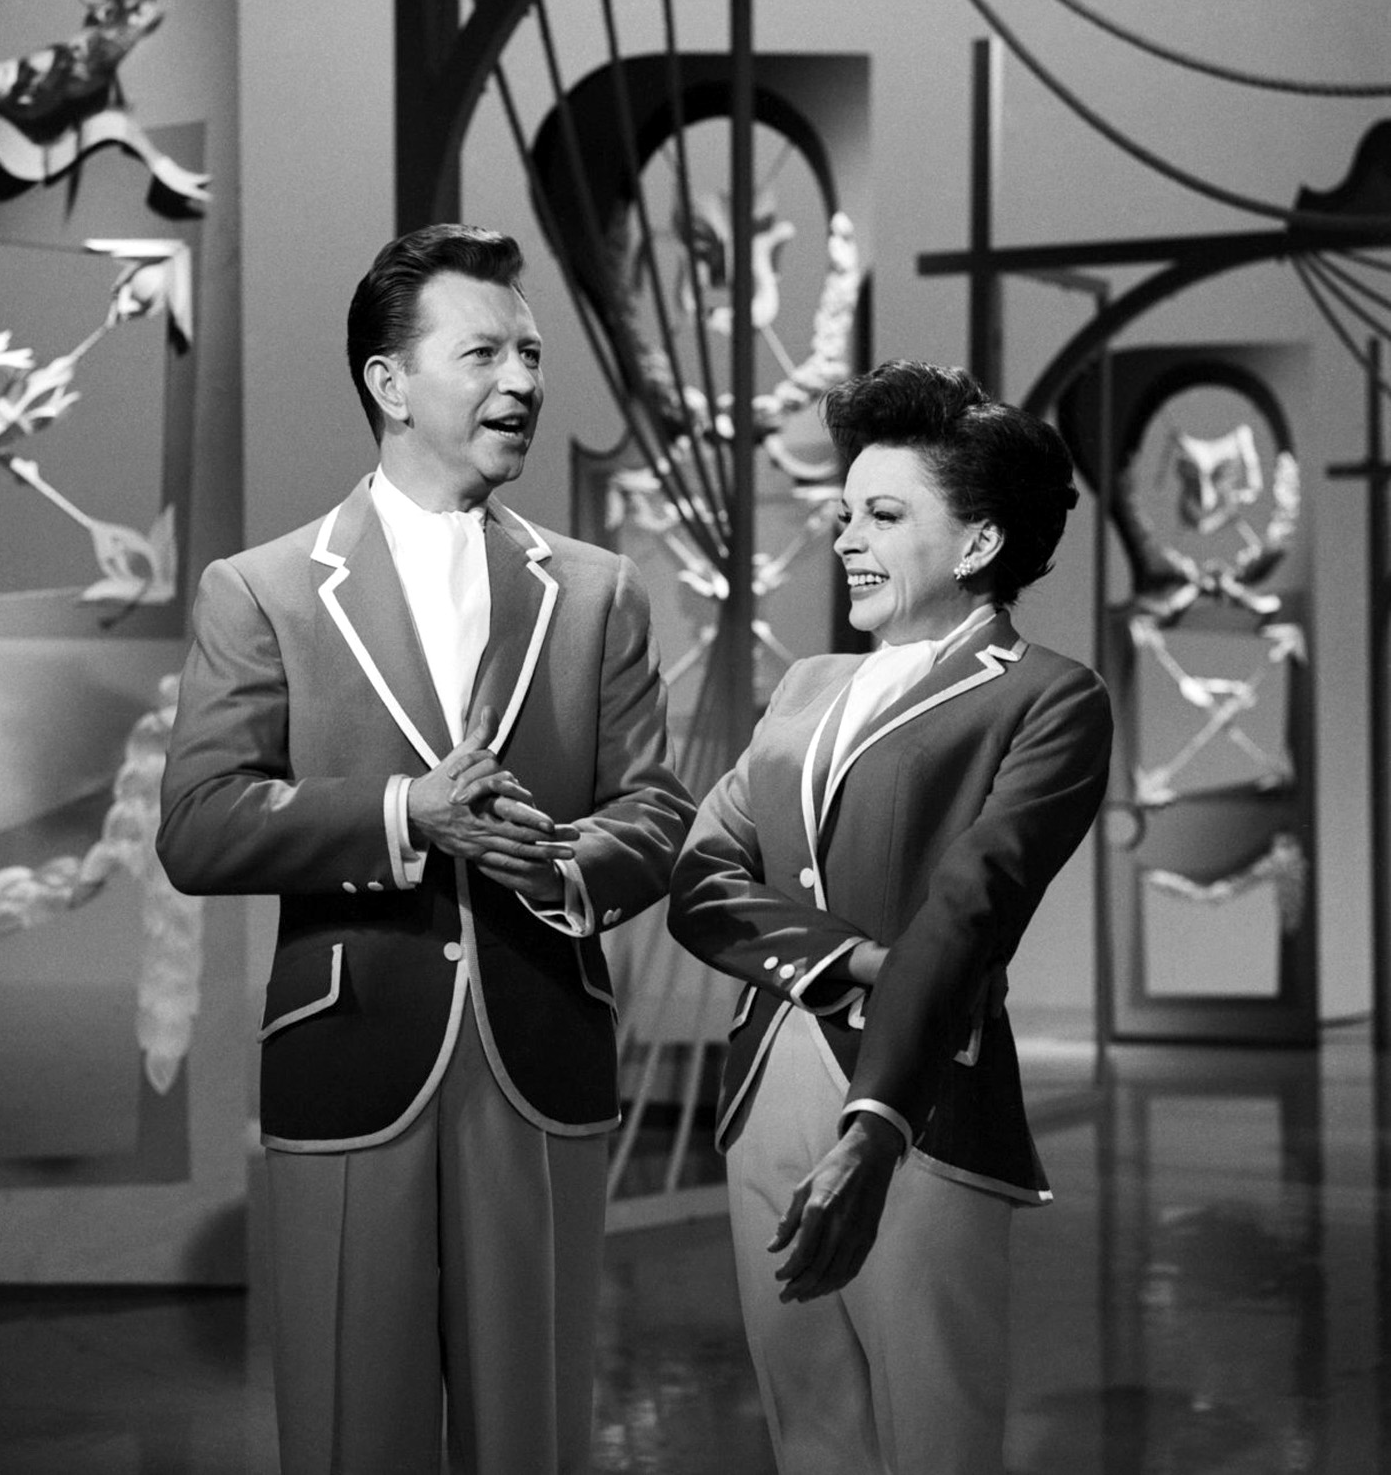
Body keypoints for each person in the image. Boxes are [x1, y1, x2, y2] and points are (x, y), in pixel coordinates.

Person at [157, 223, 693, 1475]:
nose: (521, 381)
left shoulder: (597, 590)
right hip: (349, 1048)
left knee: (534, 1430)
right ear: (389, 384)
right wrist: (404, 814)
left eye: (530, 354)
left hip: (541, 1045)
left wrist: (555, 863)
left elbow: (655, 813)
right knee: (353, 1426)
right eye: (484, 353)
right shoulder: (263, 589)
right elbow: (198, 821)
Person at [667, 359, 1113, 1475]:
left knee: (933, 1432)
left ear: (976, 543)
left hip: (919, 1096)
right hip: (764, 1089)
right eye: (844, 513)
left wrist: (875, 1127)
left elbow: (970, 907)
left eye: (883, 515)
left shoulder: (1048, 696)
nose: (847, 539)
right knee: (808, 1430)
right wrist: (860, 960)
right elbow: (700, 880)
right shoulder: (804, 687)